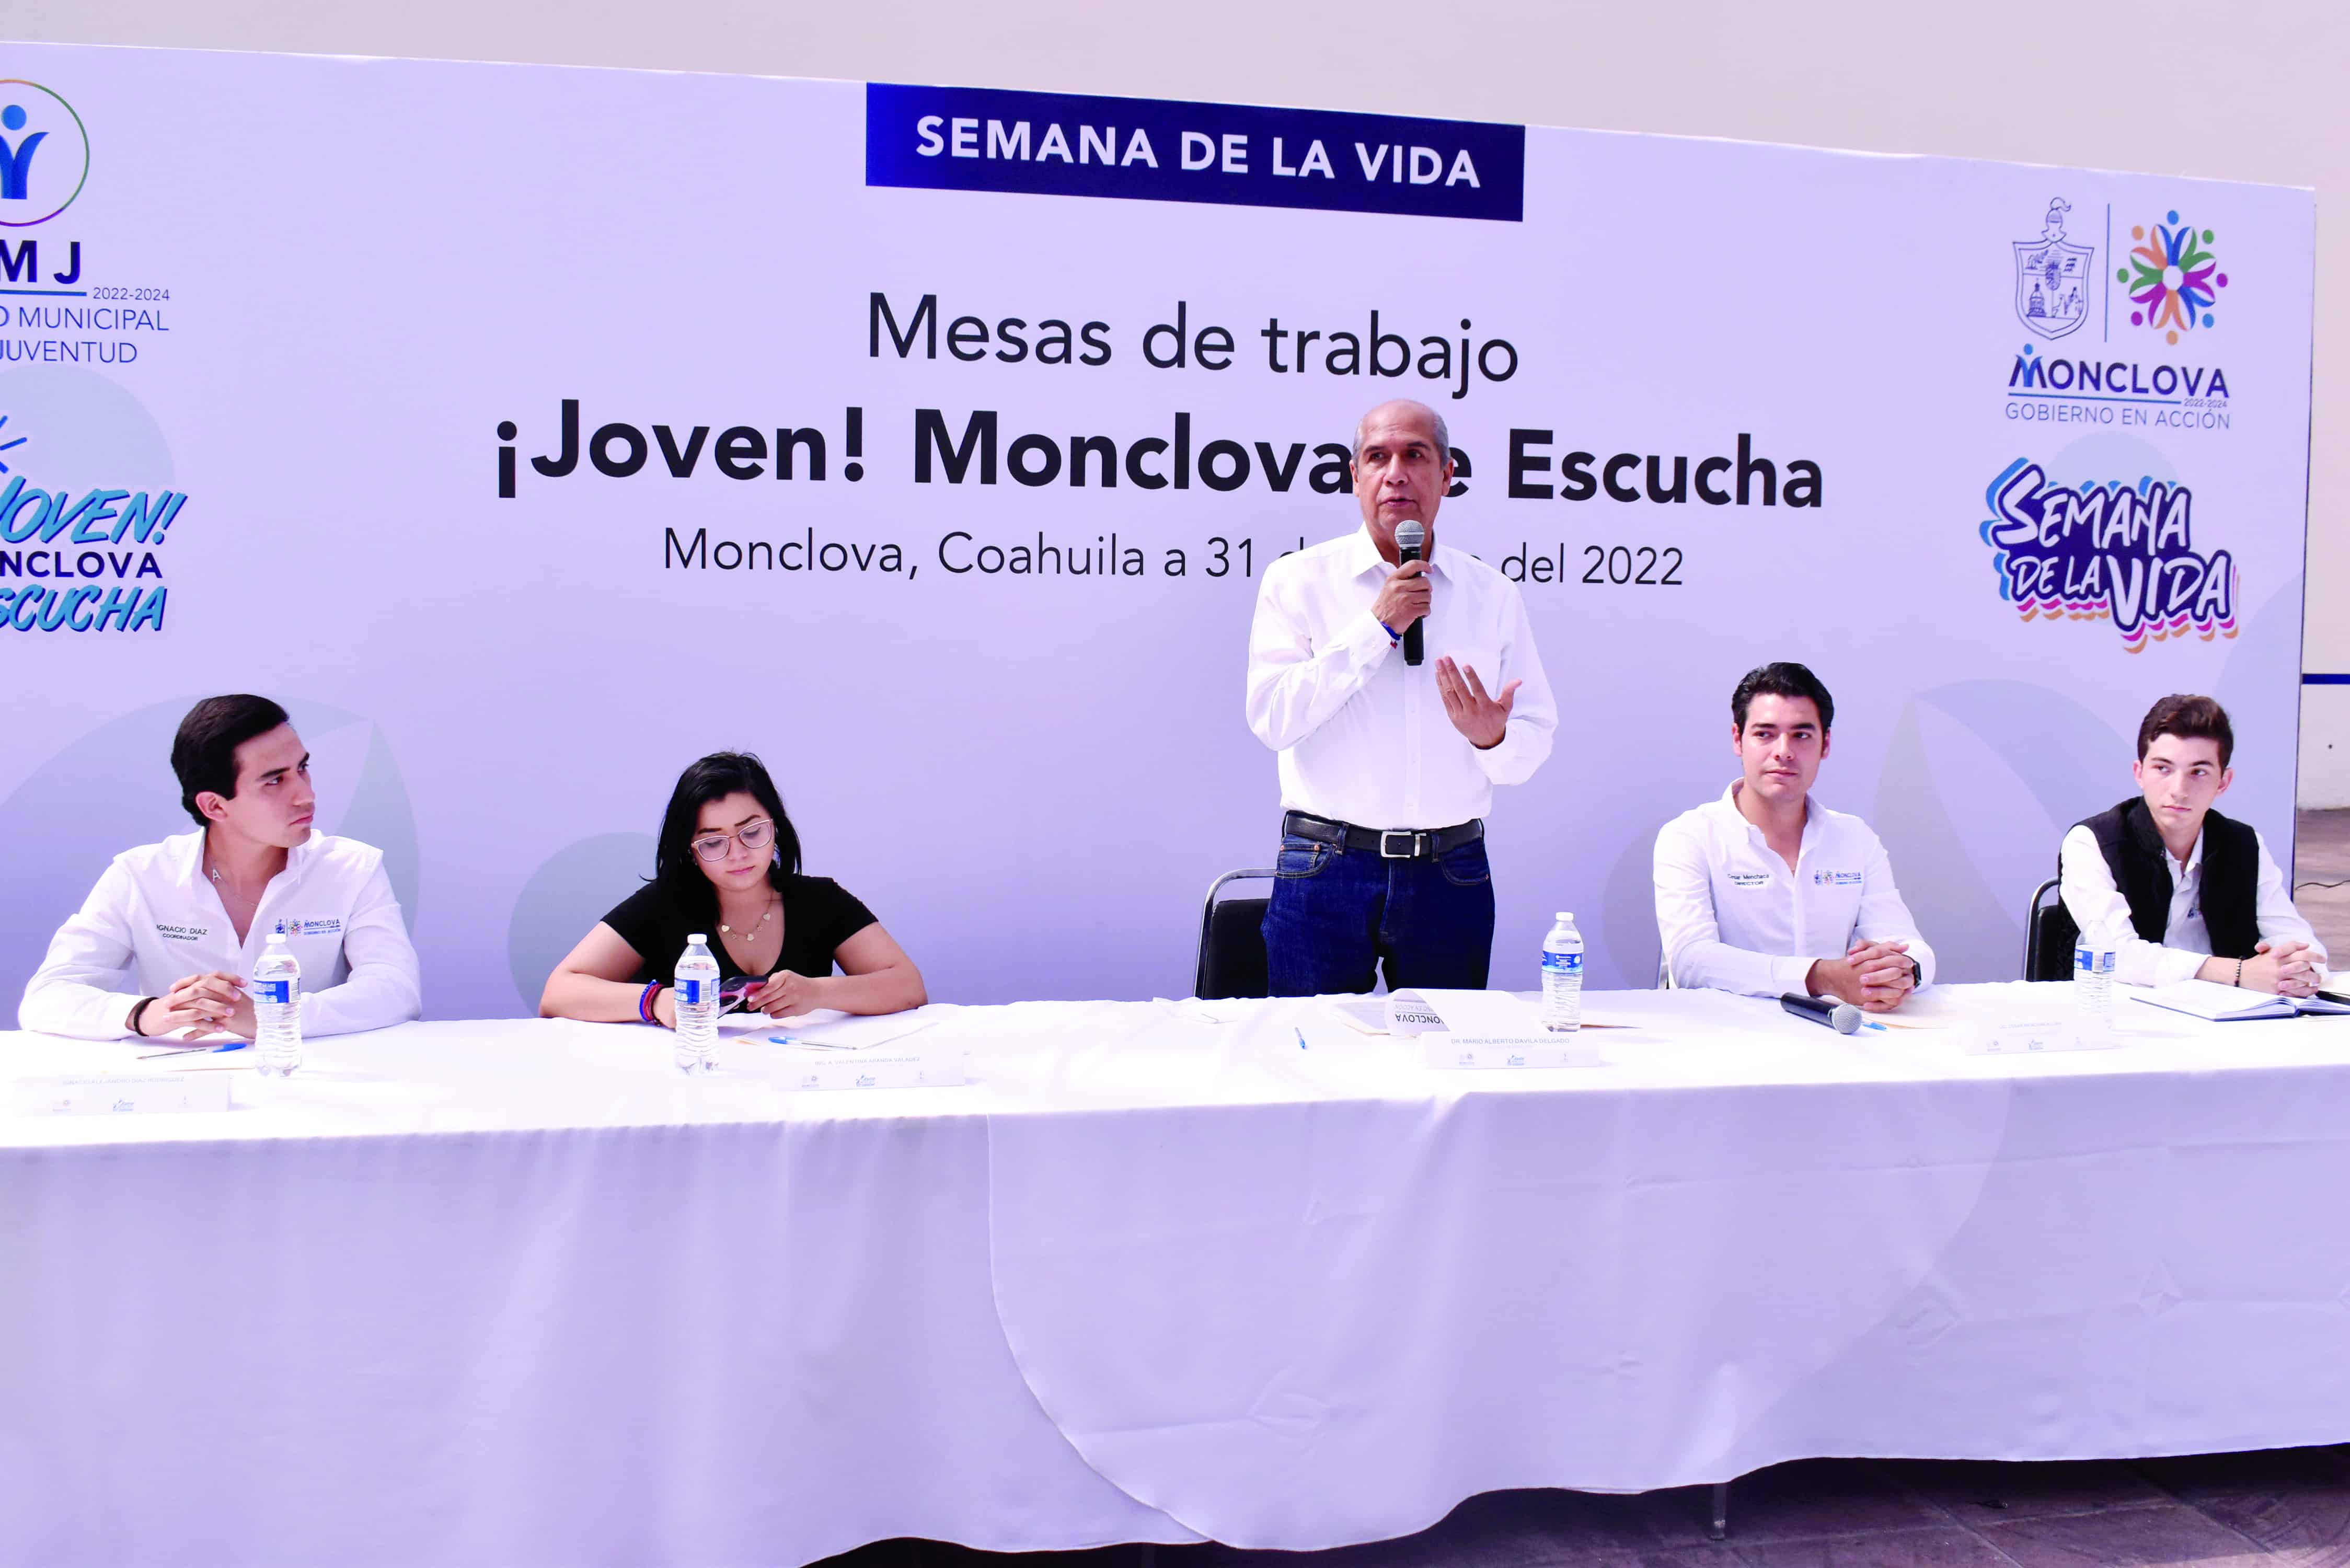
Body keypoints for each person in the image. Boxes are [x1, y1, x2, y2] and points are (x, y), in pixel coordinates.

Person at [1245, 398, 1557, 995]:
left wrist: (1491, 738)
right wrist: (1376, 628)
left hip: (1449, 875)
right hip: (1325, 866)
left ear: (1446, 474)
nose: (1395, 474)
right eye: (1376, 457)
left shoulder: (1491, 594)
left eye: (1414, 455)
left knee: (1446, 1048)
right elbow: (1272, 719)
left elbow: (1531, 741)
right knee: (1314, 1049)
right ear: (1354, 475)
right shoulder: (1298, 580)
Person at [18, 694, 423, 1040]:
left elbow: (396, 989)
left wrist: (274, 1017)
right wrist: (148, 1014)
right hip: (178, 1083)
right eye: (275, 781)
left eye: (302, 768)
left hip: (310, 1078)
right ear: (215, 805)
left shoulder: (352, 868)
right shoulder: (140, 876)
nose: (306, 795)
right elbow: (47, 996)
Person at [540, 751, 924, 1026]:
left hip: (795, 1086)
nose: (738, 854)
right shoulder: (663, 904)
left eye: (752, 832)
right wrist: (658, 1002)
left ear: (776, 827)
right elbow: (558, 993)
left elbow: (908, 986)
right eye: (713, 842)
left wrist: (819, 994)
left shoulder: (821, 900)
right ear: (690, 851)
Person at [1654, 662, 1934, 1010]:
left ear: (1825, 744)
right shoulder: (1689, 836)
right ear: (1738, 740)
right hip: (1728, 1031)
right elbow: (1691, 961)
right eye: (1765, 734)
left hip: (1838, 1030)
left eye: (1801, 735)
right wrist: (1820, 977)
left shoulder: (1855, 838)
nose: (1783, 751)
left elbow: (1910, 946)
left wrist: (1904, 971)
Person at [2058, 694, 2325, 995]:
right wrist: (2238, 972)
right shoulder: (2092, 842)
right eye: (2163, 769)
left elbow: (2297, 939)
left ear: (2223, 782)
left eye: (2198, 772)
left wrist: (2297, 968)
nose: (2179, 790)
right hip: (2117, 1009)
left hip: (2226, 1011)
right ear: (2139, 773)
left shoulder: (2244, 843)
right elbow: (2116, 955)